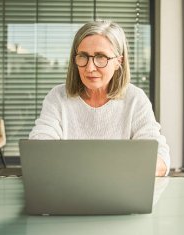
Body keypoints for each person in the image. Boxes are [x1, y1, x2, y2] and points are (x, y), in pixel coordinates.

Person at [29, 20, 170, 176]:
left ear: (118, 61)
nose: (90, 68)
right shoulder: (57, 97)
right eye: (83, 56)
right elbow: (39, 148)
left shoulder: (135, 99)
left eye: (101, 57)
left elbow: (160, 159)